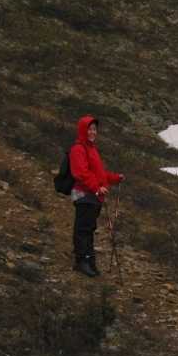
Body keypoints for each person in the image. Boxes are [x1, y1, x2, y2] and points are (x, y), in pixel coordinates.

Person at [69, 115, 124, 277]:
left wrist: (115, 178)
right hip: (85, 195)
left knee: (88, 228)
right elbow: (80, 173)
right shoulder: (78, 149)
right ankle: (81, 261)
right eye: (90, 129)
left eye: (94, 129)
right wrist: (97, 188)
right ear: (82, 130)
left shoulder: (91, 149)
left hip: (93, 196)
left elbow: (99, 174)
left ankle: (89, 260)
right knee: (83, 229)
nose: (93, 132)